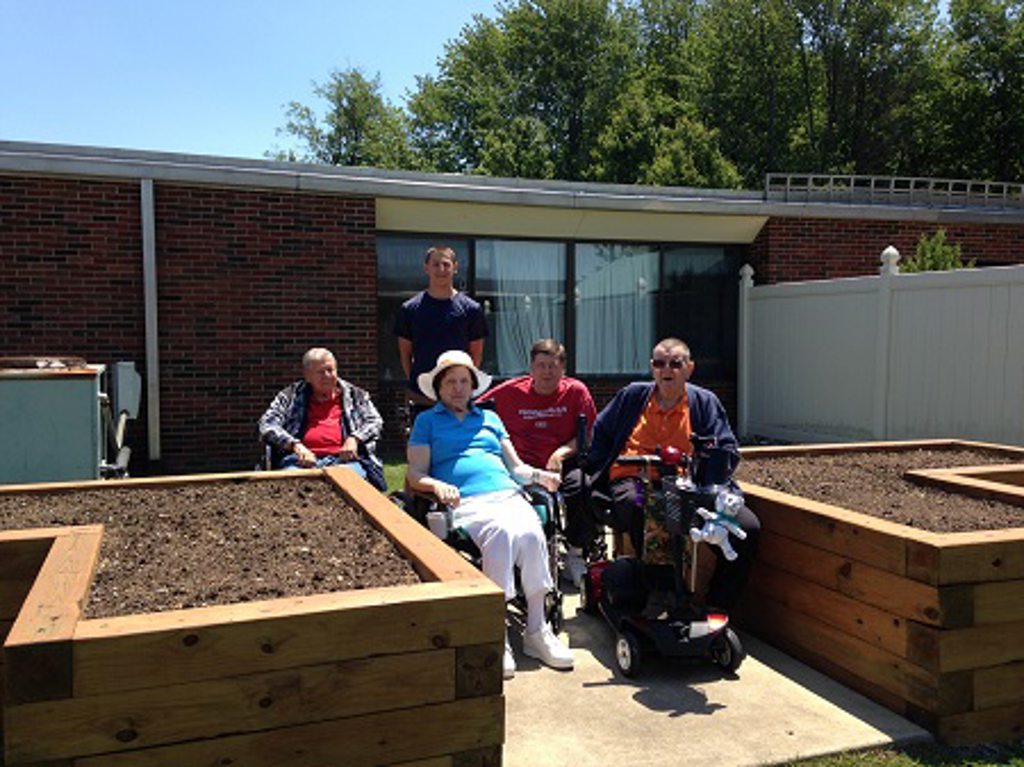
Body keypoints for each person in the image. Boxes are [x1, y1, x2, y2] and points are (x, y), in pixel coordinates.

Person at [406, 350, 574, 679]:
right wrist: (436, 485)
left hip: (506, 493)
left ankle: (537, 631)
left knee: (530, 531)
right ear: (439, 387)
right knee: (500, 532)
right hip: (465, 501)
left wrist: (541, 476)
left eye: (464, 381)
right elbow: (414, 474)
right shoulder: (427, 421)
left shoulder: (490, 419)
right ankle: (497, 635)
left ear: (472, 386)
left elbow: (516, 468)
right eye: (451, 382)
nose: (457, 388)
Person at [580, 337, 759, 612]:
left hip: (690, 484)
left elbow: (727, 449)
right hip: (635, 479)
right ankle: (661, 591)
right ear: (652, 368)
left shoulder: (704, 402)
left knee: (748, 528)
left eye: (676, 364)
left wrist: (706, 475)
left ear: (689, 368)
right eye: (660, 363)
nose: (668, 369)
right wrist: (603, 465)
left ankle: (718, 604)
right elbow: (601, 433)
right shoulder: (633, 396)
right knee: (642, 508)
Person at [477, 338, 597, 586]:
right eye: (541, 366)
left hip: (563, 464)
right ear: (531, 368)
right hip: (521, 466)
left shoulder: (576, 392)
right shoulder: (509, 392)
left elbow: (588, 434)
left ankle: (575, 553)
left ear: (563, 370)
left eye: (553, 366)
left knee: (582, 486)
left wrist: (562, 452)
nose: (547, 372)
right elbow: (473, 410)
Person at [259, 347, 386, 491]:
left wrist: (355, 438)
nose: (327, 376)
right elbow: (267, 424)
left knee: (351, 488)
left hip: (344, 462)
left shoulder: (356, 396)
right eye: (320, 372)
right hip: (299, 462)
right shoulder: (290, 397)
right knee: (291, 490)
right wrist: (295, 445)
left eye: (330, 370)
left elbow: (375, 421)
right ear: (307, 376)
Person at [393, 245, 489, 419]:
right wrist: (422, 386)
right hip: (421, 399)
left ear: (455, 267)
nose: (441, 269)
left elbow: (476, 355)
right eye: (436, 264)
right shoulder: (410, 309)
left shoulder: (471, 309)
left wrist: (462, 387)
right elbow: (405, 355)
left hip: (458, 398)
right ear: (426, 268)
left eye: (446, 264)